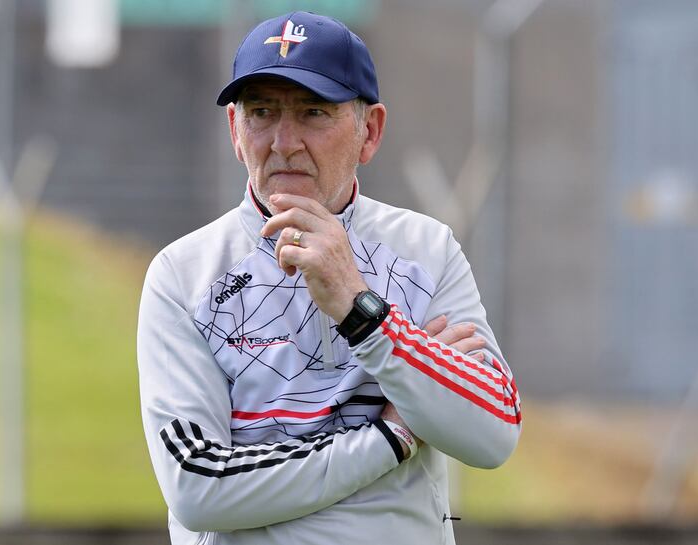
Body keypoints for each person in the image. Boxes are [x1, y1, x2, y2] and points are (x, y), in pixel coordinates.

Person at [137, 11, 521, 545]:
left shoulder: (426, 250)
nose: (284, 141)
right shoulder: (183, 274)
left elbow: (493, 433)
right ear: (235, 131)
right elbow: (199, 487)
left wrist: (360, 310)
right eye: (261, 112)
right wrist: (390, 436)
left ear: (370, 132)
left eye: (313, 112)